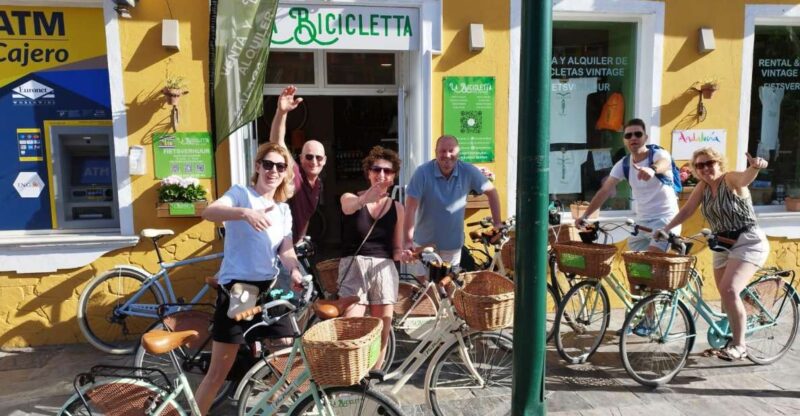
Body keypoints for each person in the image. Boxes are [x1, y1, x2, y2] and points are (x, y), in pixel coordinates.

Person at [195, 143, 304, 415]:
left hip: (268, 288)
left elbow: (286, 249)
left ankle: (274, 407)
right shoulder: (241, 194)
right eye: (268, 164)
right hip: (241, 290)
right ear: (257, 166)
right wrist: (244, 213)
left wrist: (295, 270)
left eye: (280, 166)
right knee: (220, 370)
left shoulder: (282, 210)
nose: (274, 171)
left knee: (283, 355)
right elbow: (208, 212)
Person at [659, 148, 770, 361]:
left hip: (748, 241)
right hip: (722, 244)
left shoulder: (730, 179)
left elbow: (745, 179)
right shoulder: (702, 186)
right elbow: (686, 211)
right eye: (699, 166)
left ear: (719, 163)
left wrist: (755, 167)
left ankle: (740, 345)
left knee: (729, 290)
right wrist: (666, 229)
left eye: (709, 163)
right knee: (725, 293)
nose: (705, 169)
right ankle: (734, 331)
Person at [338, 146, 404, 369]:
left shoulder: (398, 208)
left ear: (394, 177)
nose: (382, 175)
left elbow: (396, 248)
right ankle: (350, 380)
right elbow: (348, 208)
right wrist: (367, 197)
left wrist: (404, 253)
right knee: (351, 330)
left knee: (380, 331)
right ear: (368, 172)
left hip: (384, 269)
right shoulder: (351, 198)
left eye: (388, 171)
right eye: (377, 169)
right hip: (354, 268)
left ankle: (373, 378)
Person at [576, 118, 682, 252]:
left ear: (645, 137)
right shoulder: (624, 164)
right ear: (624, 140)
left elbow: (664, 162)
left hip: (665, 220)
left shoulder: (657, 155)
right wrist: (585, 216)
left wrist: (652, 169)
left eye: (638, 134)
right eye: (628, 135)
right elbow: (605, 191)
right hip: (642, 222)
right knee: (635, 265)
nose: (633, 138)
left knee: (652, 261)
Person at [401, 135, 502, 267]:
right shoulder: (422, 173)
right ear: (436, 152)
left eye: (451, 150)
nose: (447, 155)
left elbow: (492, 192)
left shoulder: (467, 170)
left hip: (452, 246)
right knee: (424, 286)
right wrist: (408, 241)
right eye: (442, 151)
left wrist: (497, 224)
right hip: (423, 245)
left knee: (448, 286)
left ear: (458, 153)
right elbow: (410, 207)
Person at [269, 85, 326, 244]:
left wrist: (301, 240)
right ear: (301, 159)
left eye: (318, 158)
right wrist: (282, 113)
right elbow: (277, 143)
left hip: (293, 246)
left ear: (324, 160)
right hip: (278, 248)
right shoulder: (295, 173)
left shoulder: (318, 184)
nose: (314, 162)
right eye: (309, 157)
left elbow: (305, 215)